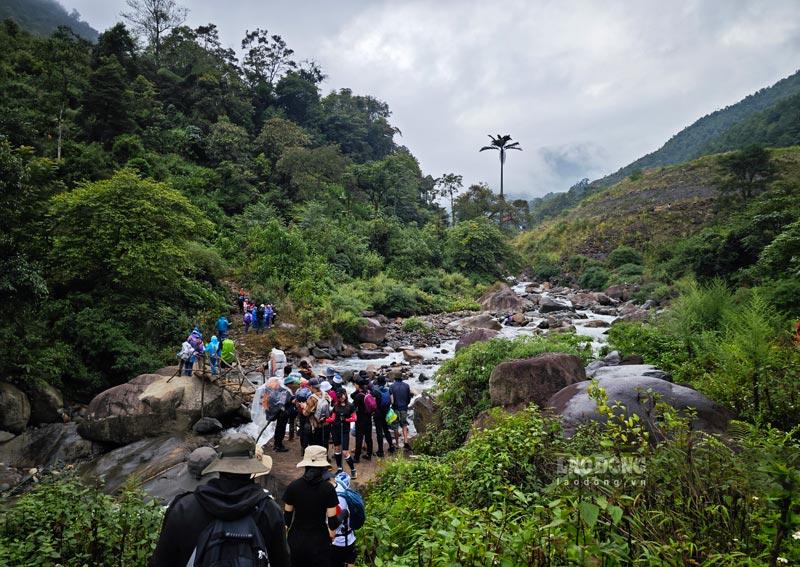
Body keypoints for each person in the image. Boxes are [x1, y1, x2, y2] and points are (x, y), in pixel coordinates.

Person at [149, 432, 290, 567]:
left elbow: (161, 561)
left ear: (218, 465)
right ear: (251, 466)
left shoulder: (184, 507)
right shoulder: (270, 510)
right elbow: (282, 561)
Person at [283, 446, 341, 567]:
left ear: (305, 464)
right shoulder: (328, 489)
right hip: (319, 544)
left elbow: (286, 520)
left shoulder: (293, 487)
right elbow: (332, 523)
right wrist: (344, 514)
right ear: (323, 467)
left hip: (296, 543)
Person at [325, 389, 358, 477]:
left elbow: (354, 418)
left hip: (345, 430)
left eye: (342, 396)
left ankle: (353, 469)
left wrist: (346, 420)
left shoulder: (350, 406)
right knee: (337, 449)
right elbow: (332, 418)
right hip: (336, 429)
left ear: (345, 395)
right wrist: (325, 419)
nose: (341, 398)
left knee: (345, 452)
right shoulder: (336, 405)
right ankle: (339, 468)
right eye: (339, 397)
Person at [331, 472, 358, 567]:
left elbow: (333, 523)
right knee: (350, 562)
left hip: (336, 542)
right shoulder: (348, 494)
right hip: (350, 539)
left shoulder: (334, 496)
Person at [263, 378, 292, 452]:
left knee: (279, 429)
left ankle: (277, 444)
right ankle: (278, 446)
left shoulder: (277, 391)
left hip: (278, 413)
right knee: (280, 430)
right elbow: (281, 404)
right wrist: (282, 411)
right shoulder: (282, 391)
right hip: (282, 414)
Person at [372, 376, 395, 457]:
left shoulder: (375, 391)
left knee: (379, 432)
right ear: (385, 382)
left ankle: (380, 451)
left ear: (378, 382)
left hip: (378, 413)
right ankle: (391, 447)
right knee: (386, 430)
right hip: (386, 413)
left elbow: (373, 404)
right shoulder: (389, 390)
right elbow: (392, 401)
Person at [350, 378, 373, 464]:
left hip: (360, 420)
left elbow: (352, 407)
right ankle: (369, 454)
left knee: (359, 439)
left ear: (357, 385)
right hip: (368, 418)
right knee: (368, 438)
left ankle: (356, 457)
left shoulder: (359, 396)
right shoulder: (368, 392)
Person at [390, 374, 414, 450]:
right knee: (404, 425)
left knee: (395, 426)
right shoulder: (406, 386)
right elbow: (408, 397)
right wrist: (406, 404)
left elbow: (392, 400)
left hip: (395, 408)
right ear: (402, 378)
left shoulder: (392, 386)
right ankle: (406, 441)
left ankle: (397, 444)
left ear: (395, 378)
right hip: (404, 407)